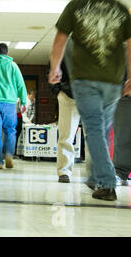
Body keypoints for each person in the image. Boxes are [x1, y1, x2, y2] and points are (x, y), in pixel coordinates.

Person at [49, 0, 131, 201]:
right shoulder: (121, 9)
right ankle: (96, 177)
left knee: (94, 129)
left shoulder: (76, 6)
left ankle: (106, 183)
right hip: (113, 82)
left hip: (85, 80)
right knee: (101, 130)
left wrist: (55, 68)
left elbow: (59, 41)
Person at [48, 38, 84, 183]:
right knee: (66, 136)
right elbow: (50, 70)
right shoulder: (63, 47)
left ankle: (96, 175)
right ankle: (64, 171)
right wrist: (58, 92)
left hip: (91, 97)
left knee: (94, 138)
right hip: (68, 96)